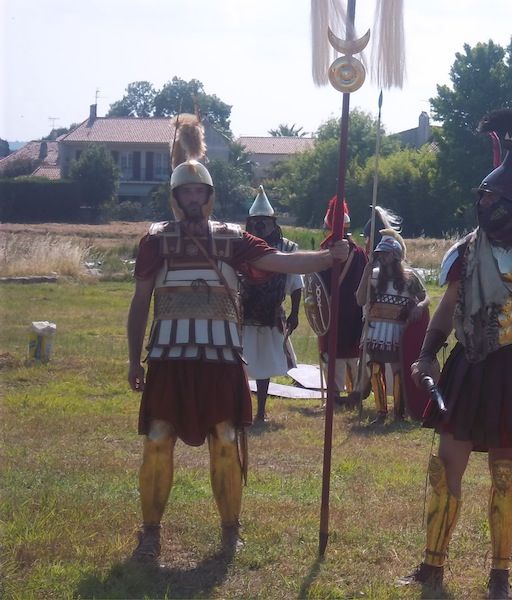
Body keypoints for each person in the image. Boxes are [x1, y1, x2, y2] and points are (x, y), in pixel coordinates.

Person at [127, 114, 349, 561]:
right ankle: (150, 531)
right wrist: (134, 360)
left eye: (199, 191)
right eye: (185, 191)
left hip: (221, 358)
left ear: (208, 197)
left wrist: (328, 257)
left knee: (226, 441)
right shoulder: (154, 241)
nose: (192, 197)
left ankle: (231, 530)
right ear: (176, 197)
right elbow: (139, 303)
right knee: (156, 439)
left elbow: (281, 263)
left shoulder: (231, 239)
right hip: (169, 357)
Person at [399, 109, 512, 599]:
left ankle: (499, 571)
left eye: (495, 200)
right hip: (468, 365)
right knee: (444, 466)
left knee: (504, 472)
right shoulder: (465, 250)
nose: (486, 207)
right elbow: (447, 310)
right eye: (483, 199)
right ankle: (432, 563)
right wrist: (427, 354)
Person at [239, 186, 303, 424]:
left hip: (271, 312)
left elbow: (296, 283)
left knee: (264, 364)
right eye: (255, 222)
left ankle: (260, 411)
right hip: (244, 310)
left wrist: (295, 313)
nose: (259, 227)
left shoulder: (286, 248)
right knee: (241, 362)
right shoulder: (240, 246)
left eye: (263, 222)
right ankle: (242, 408)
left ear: (273, 223)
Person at [355, 229, 428, 423]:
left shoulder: (410, 277)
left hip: (397, 330)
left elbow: (425, 297)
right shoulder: (373, 276)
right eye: (380, 254)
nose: (382, 258)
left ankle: (399, 413)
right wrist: (365, 273)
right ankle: (381, 413)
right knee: (376, 369)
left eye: (386, 254)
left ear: (395, 255)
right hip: (376, 331)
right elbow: (360, 299)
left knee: (397, 371)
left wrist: (419, 306)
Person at [314, 198, 369, 401]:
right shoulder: (360, 253)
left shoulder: (324, 252)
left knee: (336, 350)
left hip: (332, 312)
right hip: (350, 313)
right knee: (349, 353)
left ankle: (337, 394)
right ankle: (353, 393)